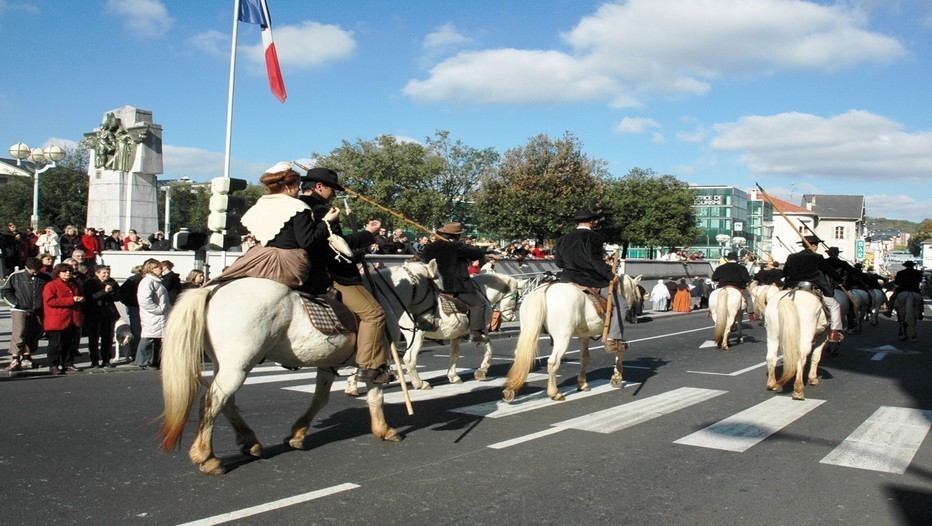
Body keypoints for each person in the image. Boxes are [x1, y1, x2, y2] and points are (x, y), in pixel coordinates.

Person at [299, 166, 395, 384]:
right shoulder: (322, 210)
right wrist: (368, 235)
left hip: (295, 268)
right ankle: (368, 366)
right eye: (332, 189)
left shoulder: (295, 206)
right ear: (320, 187)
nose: (333, 193)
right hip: (329, 273)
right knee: (374, 314)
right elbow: (339, 245)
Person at [215, 162, 336, 288]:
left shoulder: (259, 205)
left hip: (258, 258)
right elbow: (307, 242)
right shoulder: (298, 206)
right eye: (297, 185)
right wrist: (326, 222)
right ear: (288, 187)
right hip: (287, 264)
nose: (299, 189)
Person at [551, 209, 628, 353]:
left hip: (567, 279)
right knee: (621, 305)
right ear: (591, 222)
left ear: (577, 222)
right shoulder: (594, 237)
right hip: (590, 279)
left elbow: (559, 263)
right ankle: (613, 338)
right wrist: (610, 275)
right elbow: (595, 261)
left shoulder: (563, 239)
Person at [421, 221, 494, 344]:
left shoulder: (430, 247)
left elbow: (423, 258)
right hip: (454, 285)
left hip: (433, 284)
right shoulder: (457, 246)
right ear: (457, 235)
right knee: (479, 304)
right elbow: (476, 254)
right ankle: (476, 332)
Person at [781, 235, 844, 343]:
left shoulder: (791, 257)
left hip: (794, 285)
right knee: (834, 306)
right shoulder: (817, 257)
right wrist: (839, 280)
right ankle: (834, 332)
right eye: (817, 245)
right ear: (814, 245)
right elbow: (829, 271)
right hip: (813, 286)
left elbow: (785, 272)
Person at [2, 257, 51, 370]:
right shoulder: (16, 276)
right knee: (19, 333)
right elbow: (5, 291)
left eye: (37, 270)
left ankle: (27, 357)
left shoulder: (45, 277)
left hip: (37, 310)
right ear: (26, 268)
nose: (35, 272)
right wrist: (15, 304)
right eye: (32, 270)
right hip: (20, 310)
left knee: (33, 334)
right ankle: (15, 358)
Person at [42, 263, 85, 374]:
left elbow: (81, 295)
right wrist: (71, 300)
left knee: (70, 343)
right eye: (64, 271)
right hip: (57, 319)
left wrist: (81, 299)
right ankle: (54, 365)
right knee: (55, 344)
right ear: (58, 273)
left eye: (69, 271)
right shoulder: (51, 285)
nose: (68, 273)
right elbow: (50, 301)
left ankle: (68, 363)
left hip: (72, 318)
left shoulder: (74, 284)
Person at [83, 265, 121, 368]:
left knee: (107, 338)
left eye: (108, 273)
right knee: (94, 338)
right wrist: (104, 291)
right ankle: (94, 361)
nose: (106, 275)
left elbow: (117, 297)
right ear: (97, 273)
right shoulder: (90, 283)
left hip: (108, 313)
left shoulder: (112, 282)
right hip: (94, 313)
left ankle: (106, 360)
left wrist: (112, 291)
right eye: (104, 273)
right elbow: (91, 297)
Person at [136, 258, 170, 369]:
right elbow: (145, 300)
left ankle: (154, 361)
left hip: (159, 315)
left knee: (156, 339)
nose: (161, 269)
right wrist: (158, 309)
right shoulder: (147, 282)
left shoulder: (156, 281)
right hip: (152, 315)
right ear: (151, 269)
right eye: (158, 267)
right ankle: (145, 361)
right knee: (148, 338)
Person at [711, 252, 757, 321]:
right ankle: (751, 313)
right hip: (738, 286)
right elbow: (747, 279)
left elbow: (714, 278)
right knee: (748, 298)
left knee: (713, 296)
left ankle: (711, 309)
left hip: (723, 286)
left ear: (727, 259)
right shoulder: (742, 268)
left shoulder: (720, 267)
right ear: (736, 259)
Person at [119, 265, 144, 362]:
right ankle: (136, 355)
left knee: (140, 332)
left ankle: (139, 354)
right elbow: (122, 293)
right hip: (135, 308)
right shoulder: (134, 280)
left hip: (138, 307)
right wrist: (132, 303)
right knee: (137, 332)